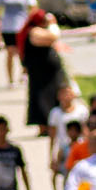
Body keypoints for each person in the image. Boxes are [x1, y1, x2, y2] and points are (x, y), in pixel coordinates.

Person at [21, 11, 67, 146]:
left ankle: (51, 125)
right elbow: (53, 36)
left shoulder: (39, 31)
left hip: (49, 74)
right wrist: (53, 24)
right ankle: (44, 126)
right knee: (42, 100)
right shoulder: (34, 32)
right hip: (41, 75)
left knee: (52, 98)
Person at [0, 0, 37, 83]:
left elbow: (33, 9)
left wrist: (31, 24)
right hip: (7, 28)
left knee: (22, 53)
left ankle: (24, 73)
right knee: (10, 53)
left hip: (22, 28)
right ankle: (10, 80)